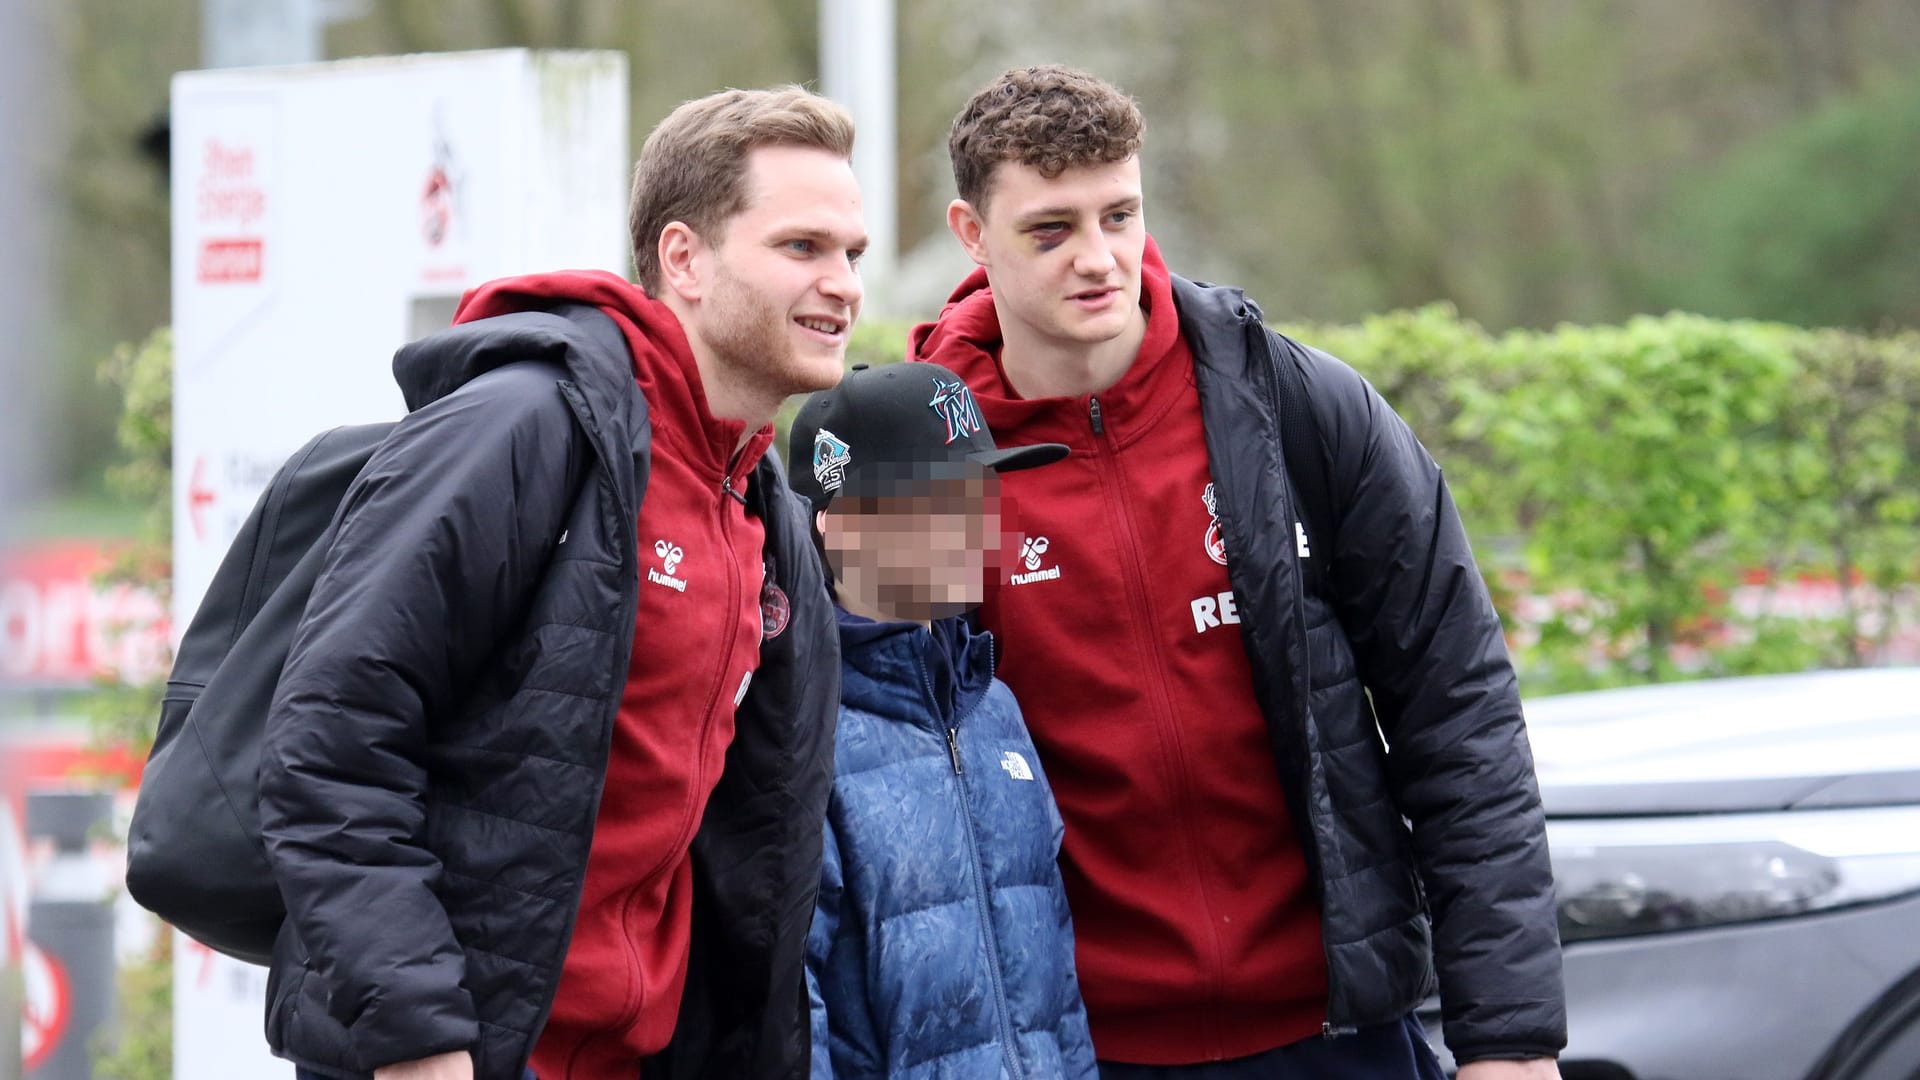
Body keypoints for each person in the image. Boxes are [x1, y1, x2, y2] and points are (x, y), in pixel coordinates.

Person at [910, 65, 1566, 1080]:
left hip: (1342, 1035)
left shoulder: (1299, 408)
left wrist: (1511, 1038)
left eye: (1119, 215)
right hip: (1080, 1049)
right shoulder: (919, 465)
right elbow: (869, 784)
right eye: (1051, 230)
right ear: (971, 232)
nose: (1099, 258)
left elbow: (1461, 715)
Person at [256, 86, 867, 1080]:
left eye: (853, 253)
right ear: (685, 259)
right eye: (802, 247)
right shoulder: (524, 427)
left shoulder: (761, 504)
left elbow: (753, 857)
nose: (841, 283)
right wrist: (419, 1038)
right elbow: (330, 740)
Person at [784, 363, 1095, 1079]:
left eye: (980, 492)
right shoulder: (797, 733)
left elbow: (1059, 992)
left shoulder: (995, 706)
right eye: (938, 495)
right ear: (842, 521)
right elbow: (792, 1016)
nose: (976, 524)